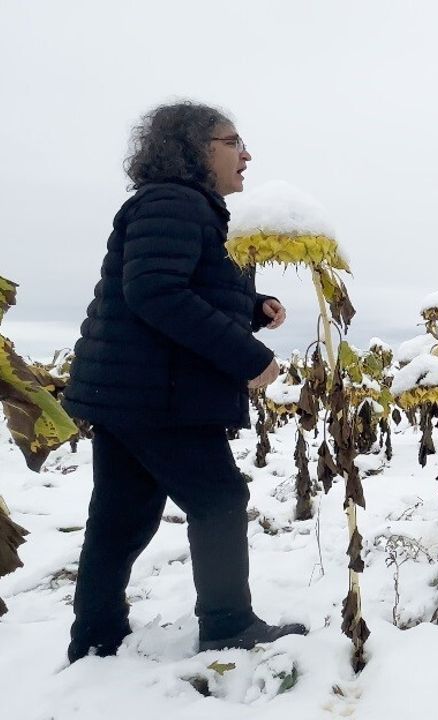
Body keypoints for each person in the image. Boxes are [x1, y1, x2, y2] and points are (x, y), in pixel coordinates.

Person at [62, 101, 306, 662]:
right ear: (194, 150)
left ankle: (95, 637)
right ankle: (228, 626)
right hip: (159, 392)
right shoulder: (173, 202)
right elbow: (155, 293)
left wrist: (250, 305)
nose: (246, 155)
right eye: (231, 142)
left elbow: (181, 285)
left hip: (131, 390)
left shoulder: (188, 208)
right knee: (219, 499)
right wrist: (248, 356)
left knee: (122, 515)